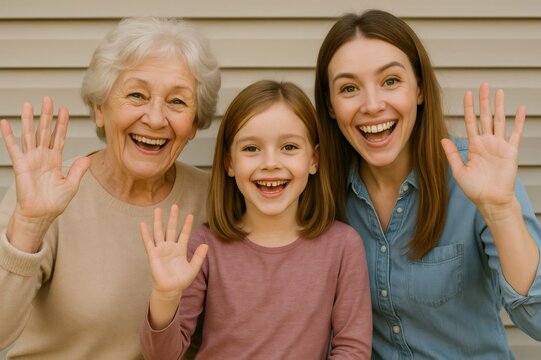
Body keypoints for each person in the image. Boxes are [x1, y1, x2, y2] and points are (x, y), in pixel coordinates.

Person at [314, 9, 541, 359]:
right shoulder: (321, 195)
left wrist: (501, 211)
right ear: (330, 106)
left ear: (419, 89)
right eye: (349, 88)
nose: (373, 105)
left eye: (390, 81)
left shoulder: (478, 174)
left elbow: (537, 321)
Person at [0, 17, 220, 359]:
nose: (156, 118)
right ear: (100, 109)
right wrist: (29, 226)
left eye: (177, 102)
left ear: (194, 124)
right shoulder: (48, 194)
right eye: (136, 95)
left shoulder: (213, 200)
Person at [139, 80, 373, 359]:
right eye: (251, 149)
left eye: (289, 147)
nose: (270, 162)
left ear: (314, 159)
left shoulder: (342, 246)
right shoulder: (204, 245)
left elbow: (352, 350)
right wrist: (165, 295)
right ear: (229, 162)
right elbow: (162, 356)